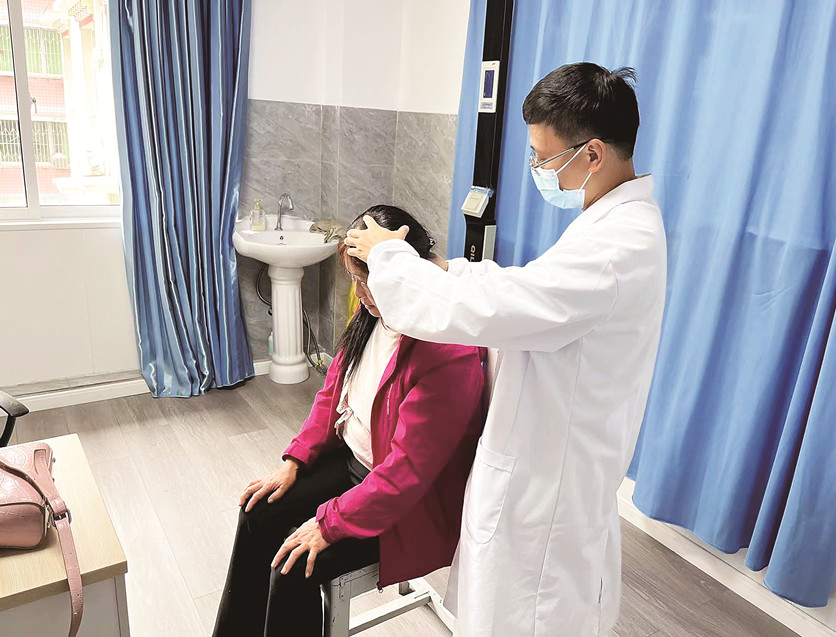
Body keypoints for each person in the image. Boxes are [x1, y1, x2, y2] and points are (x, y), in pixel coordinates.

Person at [344, 63, 667, 637]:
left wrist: (391, 258)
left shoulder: (617, 249)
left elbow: (495, 309)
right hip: (545, 464)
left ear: (593, 154)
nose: (538, 170)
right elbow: (526, 290)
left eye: (543, 158)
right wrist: (444, 268)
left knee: (528, 616)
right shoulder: (610, 226)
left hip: (548, 490)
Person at [213, 205, 486, 637]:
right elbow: (332, 394)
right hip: (355, 466)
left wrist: (329, 523)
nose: (359, 294)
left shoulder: (447, 351)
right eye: (354, 279)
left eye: (367, 280)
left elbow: (405, 475)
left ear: (403, 271)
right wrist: (295, 460)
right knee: (257, 512)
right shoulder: (372, 314)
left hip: (404, 505)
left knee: (293, 565)